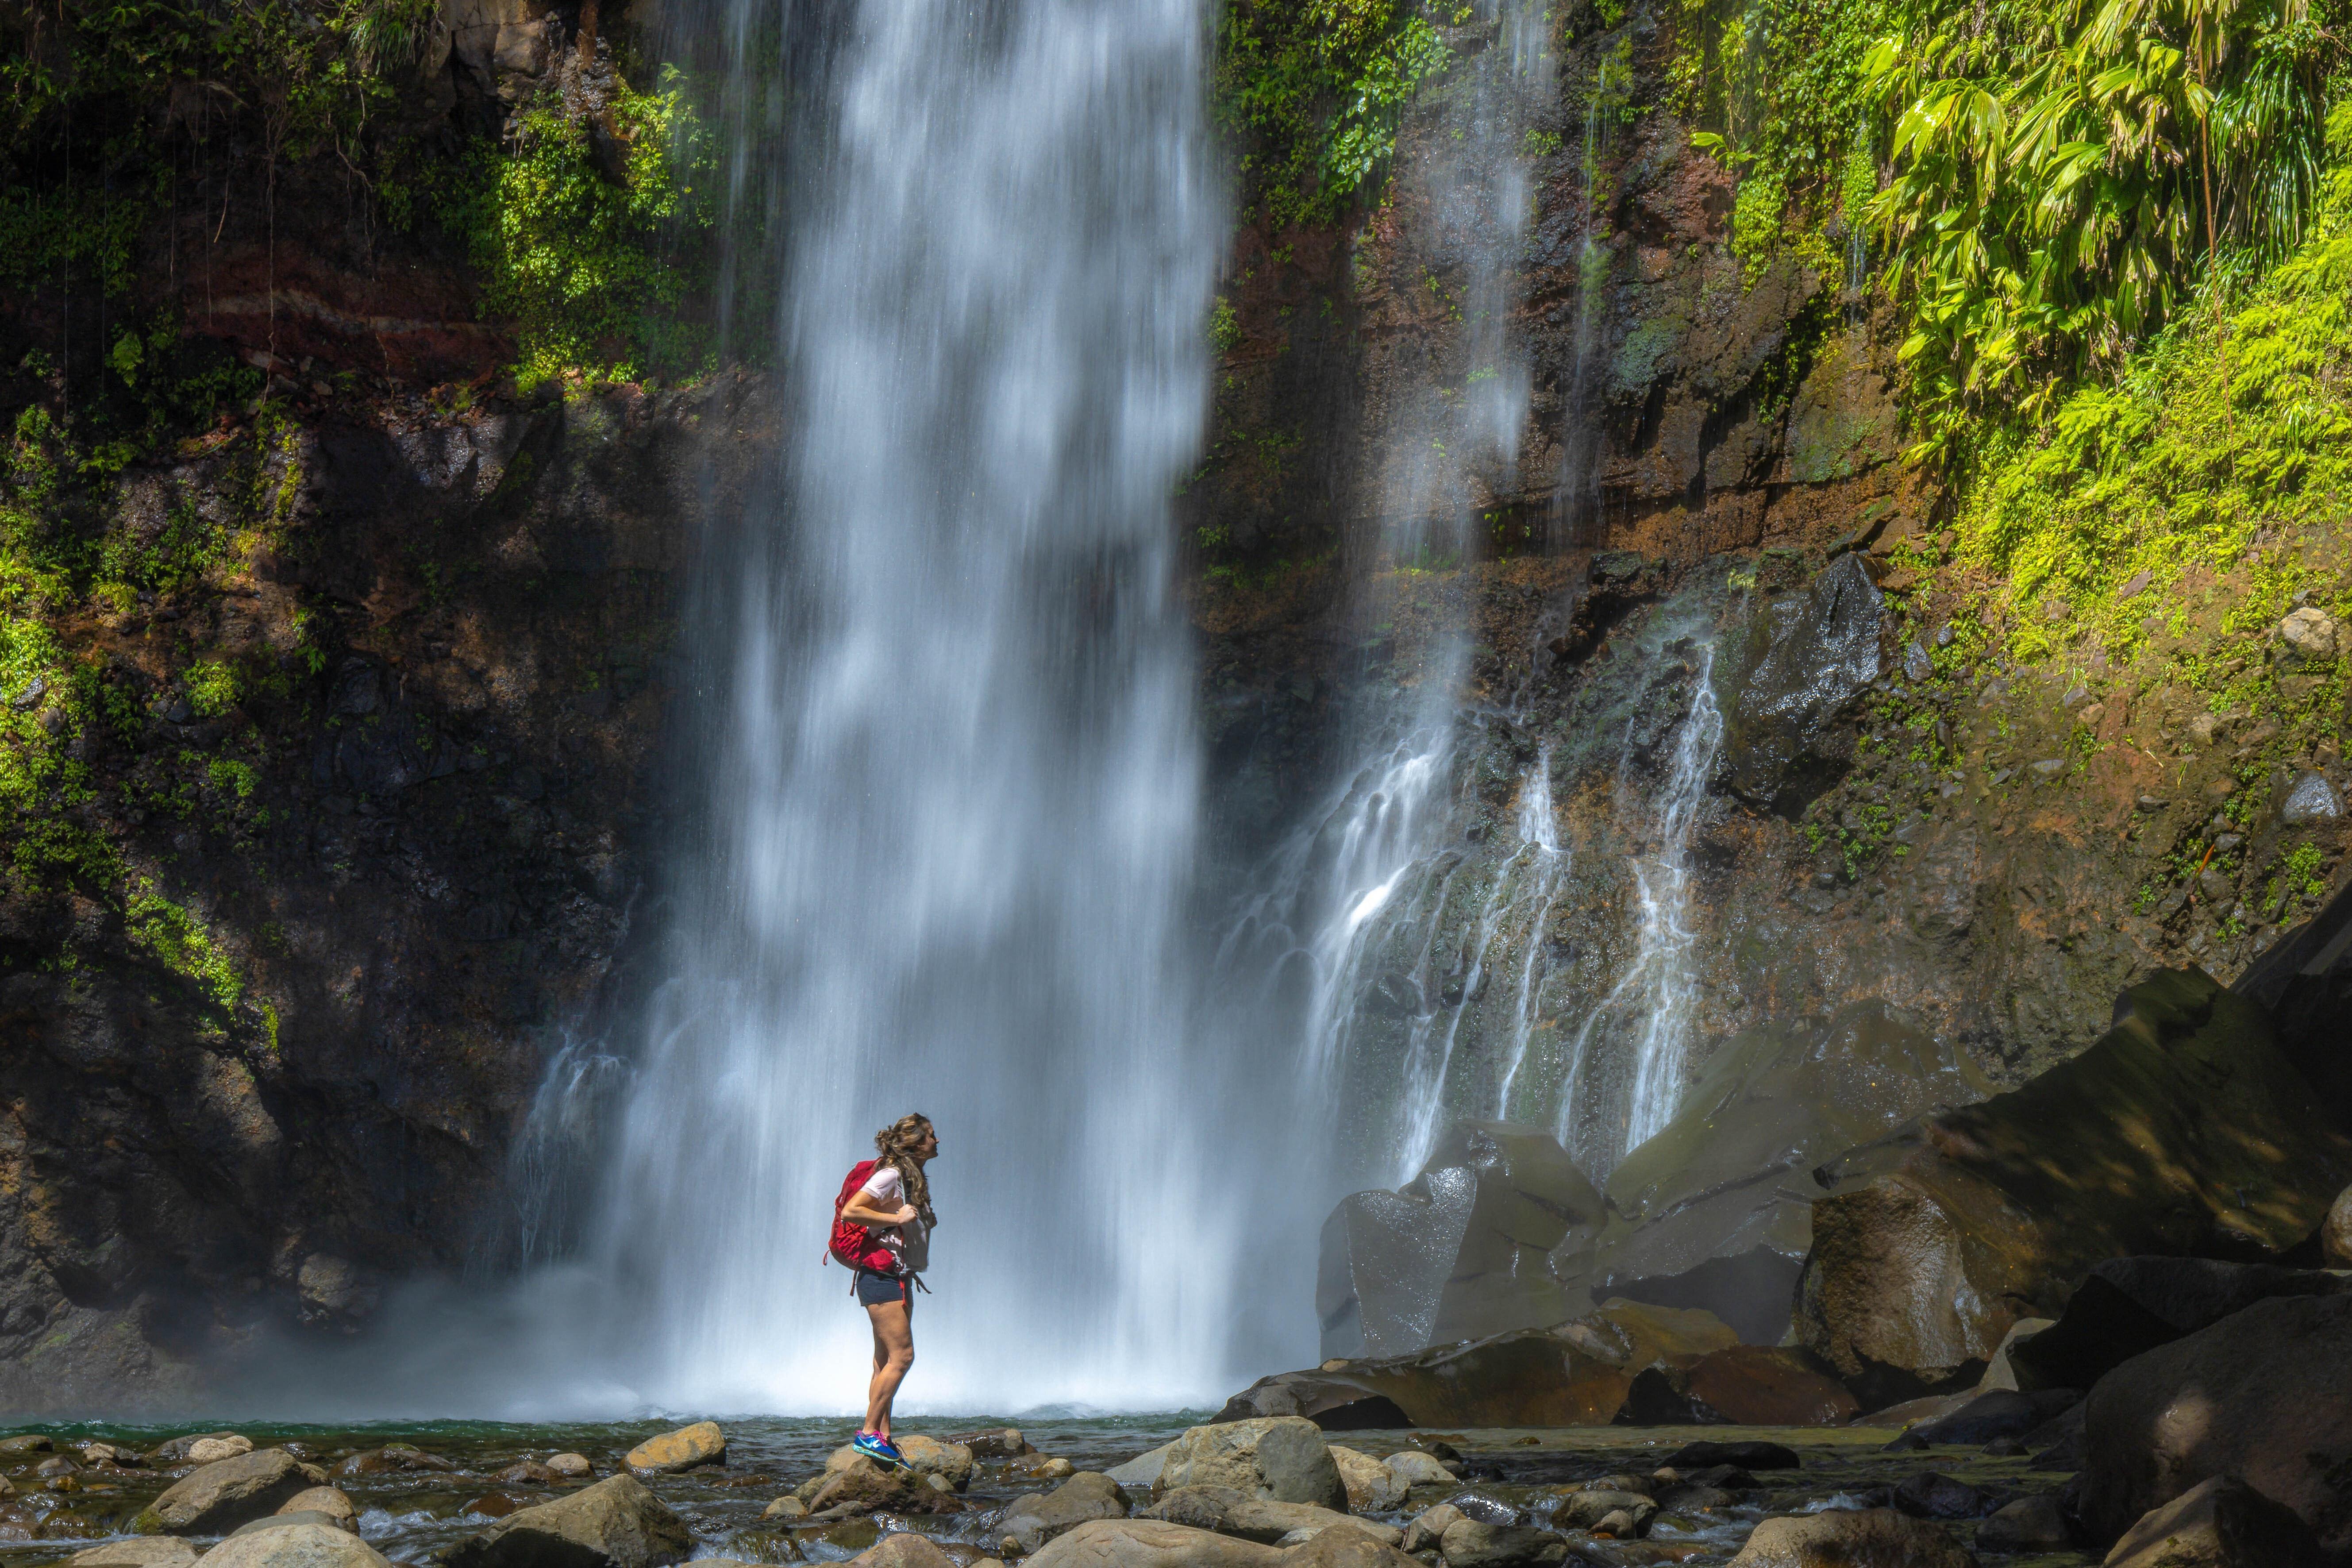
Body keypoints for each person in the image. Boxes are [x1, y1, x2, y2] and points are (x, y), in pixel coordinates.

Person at [836, 1112, 937, 1467]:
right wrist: (896, 1219)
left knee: (884, 1360)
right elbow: (852, 1210)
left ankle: (883, 1434)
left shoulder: (910, 1177)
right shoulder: (891, 1175)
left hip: (898, 1275)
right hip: (880, 1276)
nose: (937, 1141)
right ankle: (867, 1433)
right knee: (903, 1357)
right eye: (931, 1136)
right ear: (915, 1142)